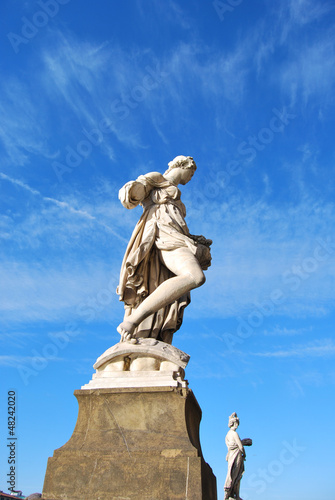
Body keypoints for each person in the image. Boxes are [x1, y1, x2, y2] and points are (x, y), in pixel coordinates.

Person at [116, 155, 212, 343]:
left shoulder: (176, 193)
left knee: (178, 284)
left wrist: (195, 240)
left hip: (175, 237)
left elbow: (175, 223)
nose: (191, 178)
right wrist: (135, 190)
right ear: (183, 166)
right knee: (195, 276)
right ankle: (132, 322)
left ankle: (146, 330)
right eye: (191, 173)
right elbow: (131, 195)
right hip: (160, 236)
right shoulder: (157, 179)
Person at [224, 413, 252, 500]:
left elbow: (229, 446)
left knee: (233, 474)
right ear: (233, 423)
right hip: (236, 456)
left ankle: (232, 494)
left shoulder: (227, 435)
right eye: (236, 423)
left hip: (231, 456)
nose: (237, 425)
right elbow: (240, 446)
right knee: (236, 475)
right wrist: (244, 454)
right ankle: (231, 494)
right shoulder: (234, 434)